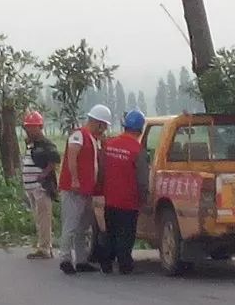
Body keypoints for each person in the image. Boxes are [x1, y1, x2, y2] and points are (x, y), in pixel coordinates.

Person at [58, 104, 112, 275]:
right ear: (98, 123)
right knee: (71, 224)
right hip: (74, 189)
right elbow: (72, 157)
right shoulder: (78, 135)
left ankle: (81, 260)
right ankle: (65, 258)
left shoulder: (91, 138)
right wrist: (74, 179)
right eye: (103, 126)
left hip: (86, 190)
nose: (104, 130)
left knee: (83, 226)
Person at [100, 109, 149, 275]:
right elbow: (142, 179)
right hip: (129, 201)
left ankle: (106, 263)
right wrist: (144, 198)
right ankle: (124, 264)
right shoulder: (138, 150)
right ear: (141, 129)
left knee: (111, 231)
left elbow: (101, 170)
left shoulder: (110, 145)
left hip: (110, 198)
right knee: (126, 234)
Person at [22, 111, 60, 259]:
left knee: (43, 218)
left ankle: (45, 248)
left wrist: (44, 174)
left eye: (33, 127)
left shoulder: (46, 144)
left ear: (40, 127)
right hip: (31, 187)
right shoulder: (32, 145)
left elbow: (55, 159)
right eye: (28, 128)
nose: (30, 130)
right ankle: (42, 245)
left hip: (41, 187)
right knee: (38, 218)